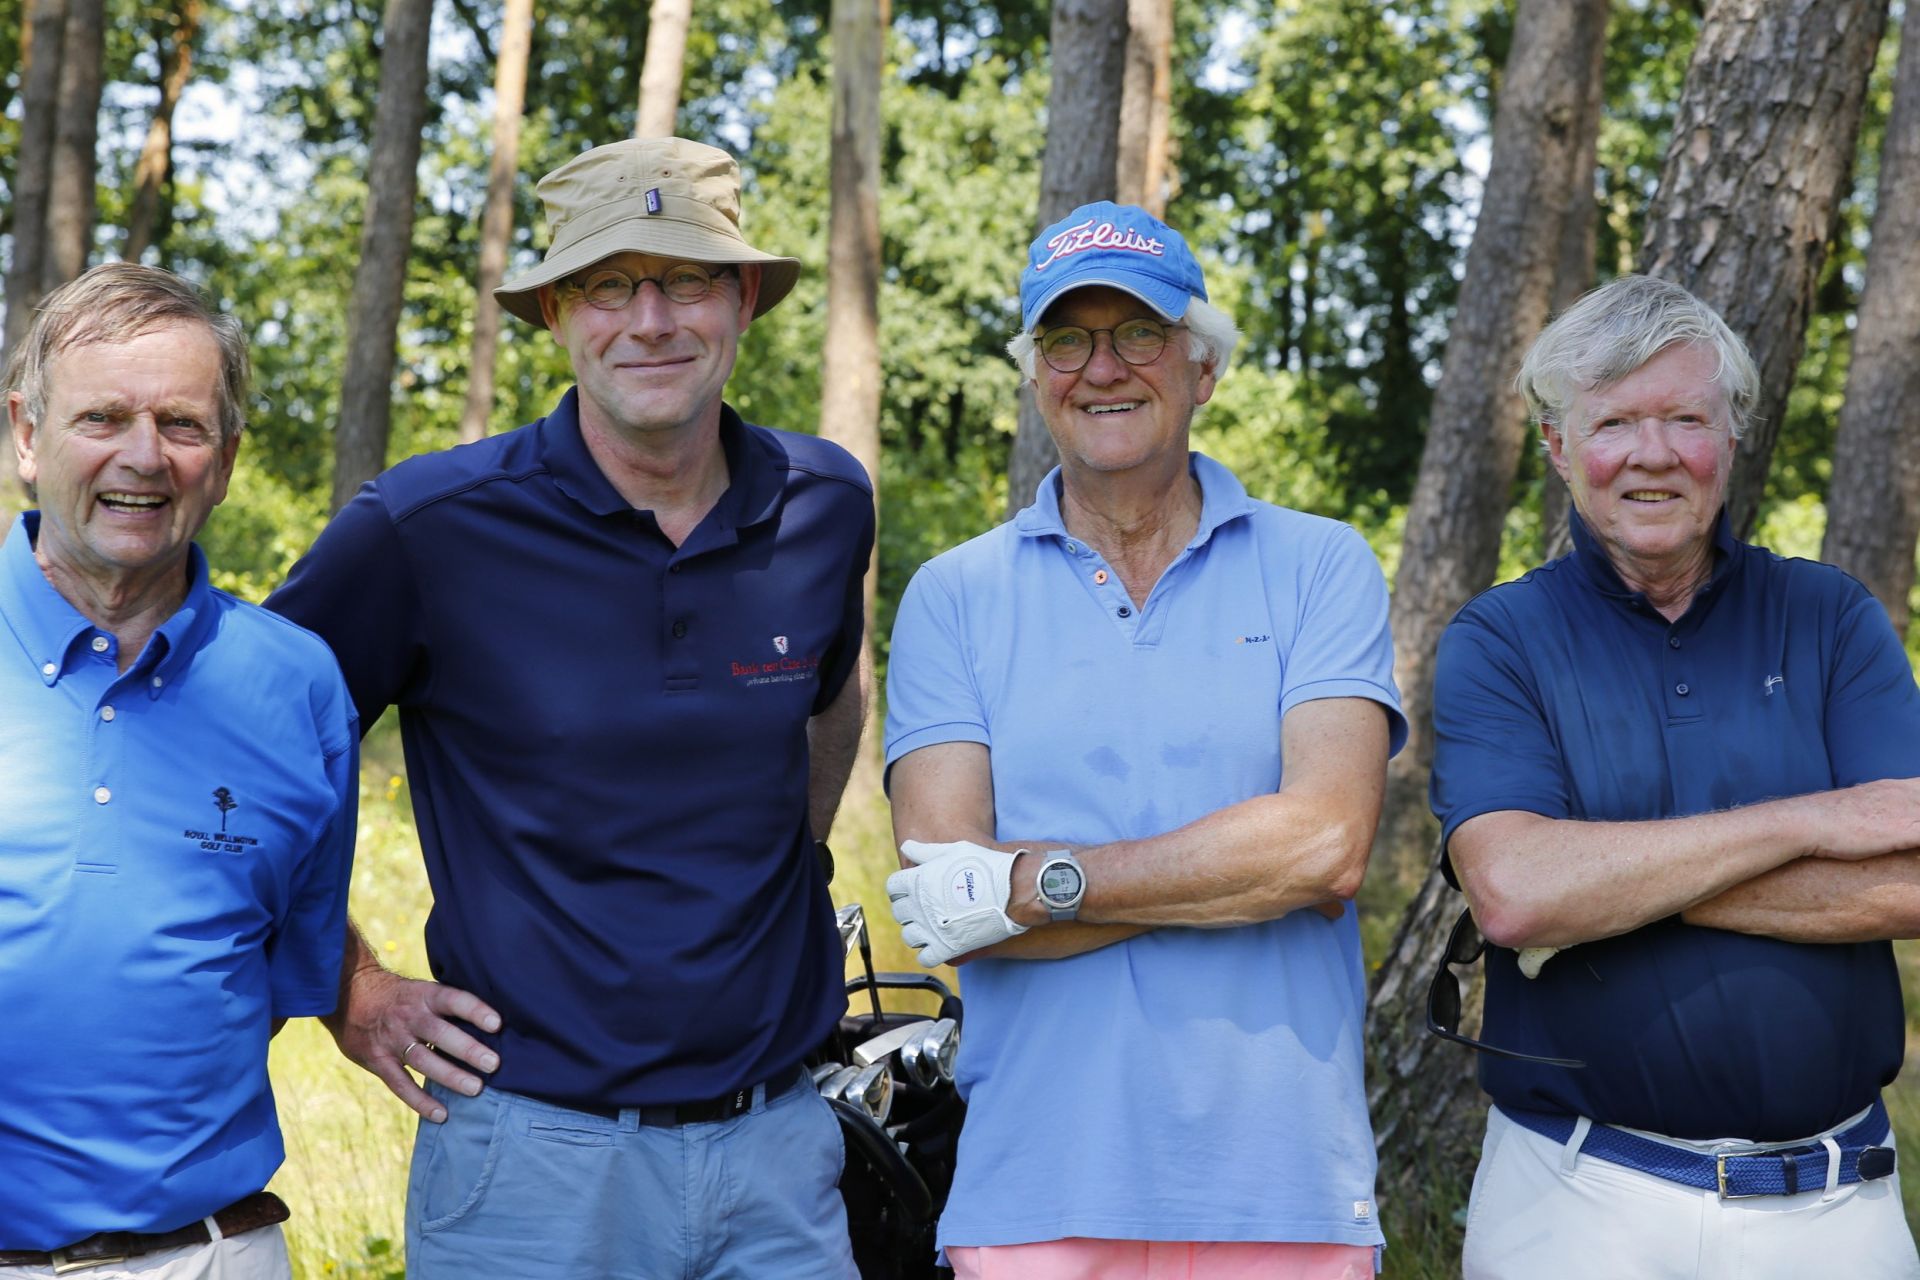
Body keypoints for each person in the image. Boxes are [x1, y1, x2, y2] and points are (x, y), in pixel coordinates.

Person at [266, 137, 871, 1278]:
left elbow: (834, 693)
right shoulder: (427, 529)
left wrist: (794, 860)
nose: (651, 320)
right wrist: (345, 982)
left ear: (743, 299)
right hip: (531, 1165)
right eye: (608, 285)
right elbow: (239, 748)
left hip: (781, 1153)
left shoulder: (824, 502)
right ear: (554, 312)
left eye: (686, 279)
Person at [882, 201, 1406, 1280]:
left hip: (1285, 1195)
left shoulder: (1321, 565)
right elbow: (948, 904)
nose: (1102, 367)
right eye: (1066, 339)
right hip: (1034, 1195)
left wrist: (1043, 881)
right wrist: (1243, 874)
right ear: (1037, 375)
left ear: (1202, 366)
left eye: (1139, 332)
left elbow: (1325, 847)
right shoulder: (953, 594)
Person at [1429, 274, 1920, 1278]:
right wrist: (1817, 820)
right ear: (1559, 448)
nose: (1652, 453)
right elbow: (1516, 892)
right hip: (1575, 1204)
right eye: (1613, 422)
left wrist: (1607, 890)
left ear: (1730, 439)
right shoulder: (1500, 639)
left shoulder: (1830, 618)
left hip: (1837, 1211)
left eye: (1686, 419)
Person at [0, 263, 357, 1278]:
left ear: (227, 459)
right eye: (103, 416)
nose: (144, 456)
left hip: (211, 1255)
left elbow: (284, 969)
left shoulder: (297, 684)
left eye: (183, 424)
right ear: (27, 433)